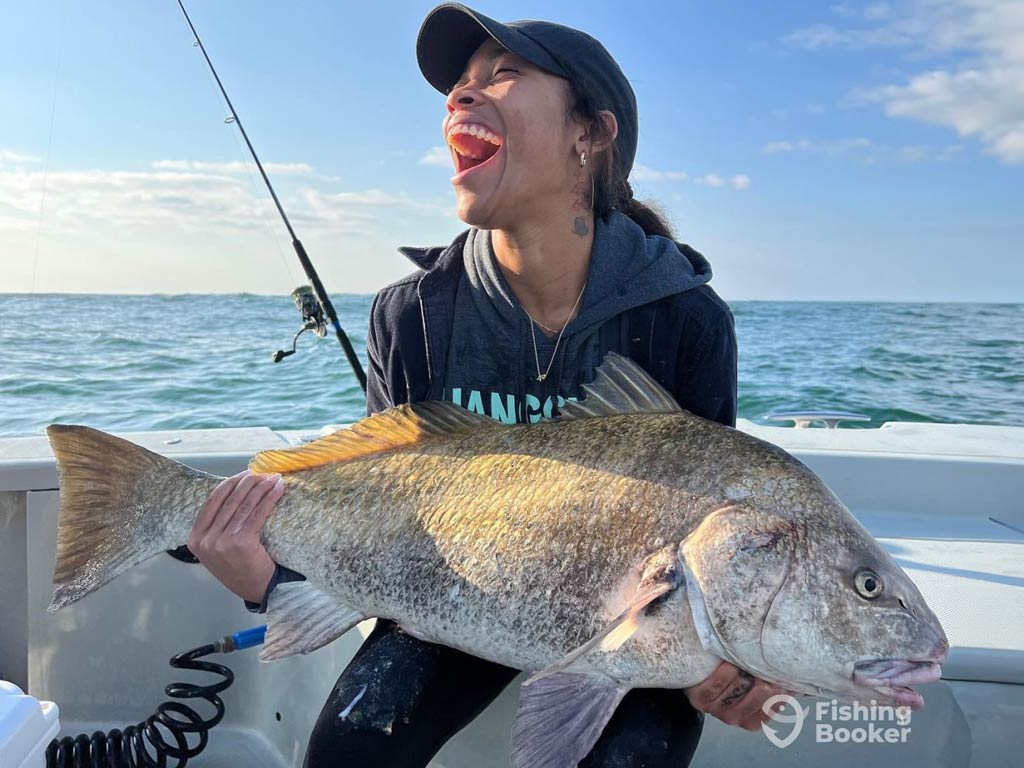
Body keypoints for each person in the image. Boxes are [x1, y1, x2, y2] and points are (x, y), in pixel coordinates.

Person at [186, 4, 786, 766]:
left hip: (631, 629)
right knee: (347, 749)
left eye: (502, 75)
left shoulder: (686, 320)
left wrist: (738, 660)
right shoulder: (411, 315)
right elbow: (385, 509)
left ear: (589, 134)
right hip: (456, 602)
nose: (460, 98)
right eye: (460, 86)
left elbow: (717, 533)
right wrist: (271, 585)